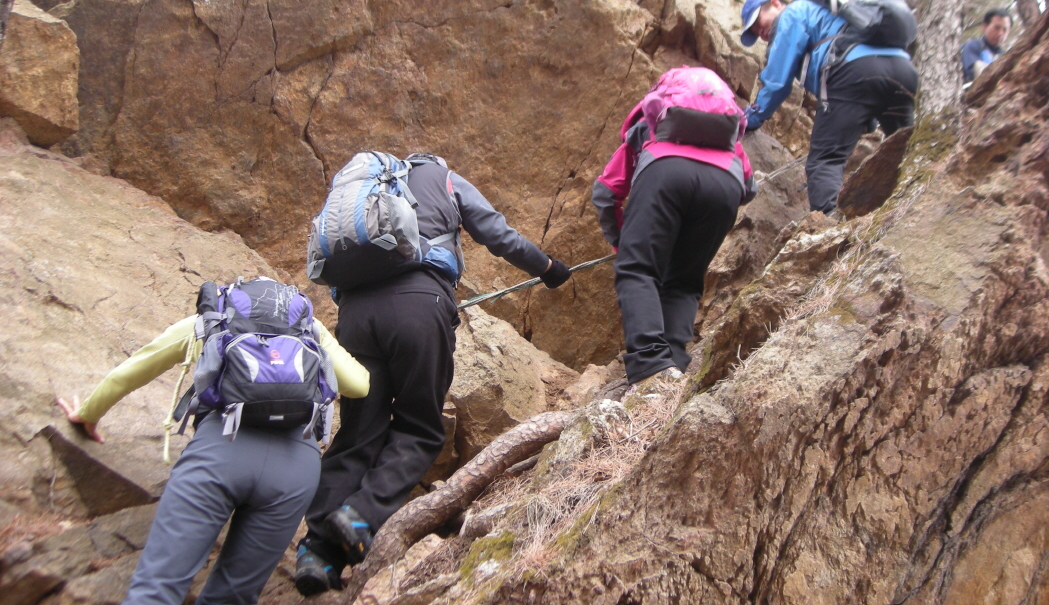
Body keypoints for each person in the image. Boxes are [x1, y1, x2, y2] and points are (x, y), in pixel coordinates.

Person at [294, 153, 572, 595]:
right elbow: (497, 233)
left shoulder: (358, 189)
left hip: (355, 315)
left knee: (359, 431)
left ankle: (316, 553)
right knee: (420, 426)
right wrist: (549, 268)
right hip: (420, 304)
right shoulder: (442, 177)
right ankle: (359, 514)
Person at [58, 276, 370, 605]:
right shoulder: (309, 329)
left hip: (220, 452)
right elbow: (360, 385)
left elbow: (132, 371)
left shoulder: (215, 319)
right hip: (296, 471)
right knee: (232, 598)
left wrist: (89, 414)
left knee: (157, 589)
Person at [591, 67, 757, 389]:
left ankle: (651, 367)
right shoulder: (725, 134)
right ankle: (675, 365)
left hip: (664, 173)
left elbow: (606, 191)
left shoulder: (649, 122)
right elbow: (749, 188)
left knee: (638, 270)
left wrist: (621, 242)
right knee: (684, 281)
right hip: (724, 187)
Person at [739, 0, 919, 214]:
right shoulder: (832, 11)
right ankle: (915, 209)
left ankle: (828, 231)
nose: (759, 33)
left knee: (825, 159)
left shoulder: (793, 13)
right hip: (903, 72)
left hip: (854, 72)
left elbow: (777, 80)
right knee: (907, 149)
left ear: (775, 4)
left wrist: (750, 118)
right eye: (754, 33)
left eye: (757, 22)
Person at [961, 8, 1011, 87]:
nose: (1000, 33)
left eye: (1005, 30)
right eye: (997, 28)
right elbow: (974, 73)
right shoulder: (974, 46)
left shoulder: (1005, 56)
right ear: (985, 26)